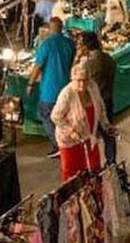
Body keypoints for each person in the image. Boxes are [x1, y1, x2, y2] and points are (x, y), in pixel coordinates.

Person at [50, 62, 113, 181]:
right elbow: (56, 116)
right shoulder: (67, 93)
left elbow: (100, 107)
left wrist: (106, 124)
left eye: (85, 80)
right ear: (72, 79)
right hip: (70, 141)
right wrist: (70, 131)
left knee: (94, 169)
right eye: (78, 80)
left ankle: (95, 191)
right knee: (72, 174)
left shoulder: (93, 87)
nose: (82, 84)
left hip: (89, 136)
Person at [27, 15, 76, 157]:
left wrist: (30, 83)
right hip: (66, 89)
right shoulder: (70, 44)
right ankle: (68, 142)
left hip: (49, 92)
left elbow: (37, 66)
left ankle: (58, 145)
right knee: (63, 118)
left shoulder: (46, 44)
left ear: (49, 28)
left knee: (47, 116)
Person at [77, 29, 118, 164]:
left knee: (91, 134)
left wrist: (77, 58)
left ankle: (92, 164)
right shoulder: (108, 59)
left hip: (95, 104)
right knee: (108, 133)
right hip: (108, 99)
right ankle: (111, 161)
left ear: (85, 47)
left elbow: (76, 78)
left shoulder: (88, 65)